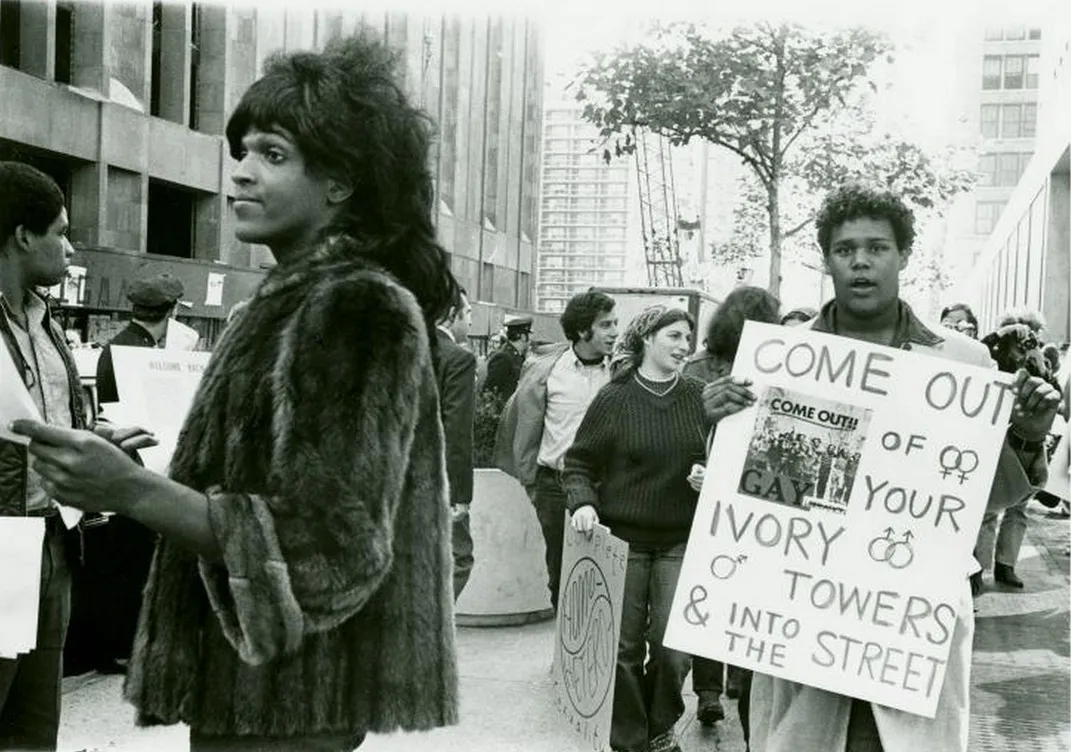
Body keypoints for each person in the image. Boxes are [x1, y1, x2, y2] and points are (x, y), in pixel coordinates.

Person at [13, 34, 459, 751]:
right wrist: (122, 472)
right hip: (255, 687)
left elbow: (328, 549)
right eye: (242, 153)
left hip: (295, 699)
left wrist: (131, 492)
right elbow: (261, 487)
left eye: (272, 156)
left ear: (341, 181)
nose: (241, 176)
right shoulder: (276, 307)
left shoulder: (353, 308)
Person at [714, 184, 1059, 752]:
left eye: (877, 246)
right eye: (845, 249)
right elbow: (754, 504)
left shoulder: (961, 362)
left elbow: (983, 499)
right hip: (808, 611)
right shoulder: (782, 361)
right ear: (827, 260)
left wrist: (1026, 434)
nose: (861, 261)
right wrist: (721, 427)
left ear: (904, 254)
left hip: (909, 622)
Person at [0, 162, 154, 750]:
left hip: (52, 545)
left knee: (34, 728)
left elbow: (53, 423)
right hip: (4, 543)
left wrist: (98, 443)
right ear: (22, 236)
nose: (69, 247)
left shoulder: (48, 323)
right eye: (60, 232)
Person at [564, 305, 710, 752]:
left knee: (673, 649)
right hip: (621, 543)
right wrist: (584, 503)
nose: (684, 346)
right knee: (622, 650)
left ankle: (660, 723)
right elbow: (578, 464)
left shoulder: (699, 397)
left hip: (679, 541)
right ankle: (630, 740)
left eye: (688, 338)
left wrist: (711, 475)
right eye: (674, 337)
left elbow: (730, 461)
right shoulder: (615, 398)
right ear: (647, 338)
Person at [63, 273, 188, 677]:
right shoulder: (140, 353)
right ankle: (124, 646)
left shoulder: (119, 346)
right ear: (168, 311)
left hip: (126, 467)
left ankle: (126, 644)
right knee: (131, 561)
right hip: (139, 468)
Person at [683, 285, 780, 737]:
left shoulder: (698, 367)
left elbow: (683, 431)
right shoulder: (778, 364)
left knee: (715, 596)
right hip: (758, 505)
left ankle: (708, 691)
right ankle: (739, 679)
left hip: (707, 500)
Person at [494, 290, 618, 609]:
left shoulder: (621, 370)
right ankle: (568, 656)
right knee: (562, 576)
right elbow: (522, 422)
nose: (615, 332)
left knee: (610, 579)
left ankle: (604, 658)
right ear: (581, 331)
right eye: (605, 325)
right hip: (555, 487)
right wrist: (533, 482)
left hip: (611, 487)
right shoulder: (547, 370)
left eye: (615, 323)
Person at [435, 286, 477, 599]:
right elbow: (457, 431)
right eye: (468, 314)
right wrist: (459, 494)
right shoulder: (458, 359)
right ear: (452, 315)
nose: (471, 323)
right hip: (441, 482)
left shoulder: (407, 348)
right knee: (459, 557)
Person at [482, 314, 532, 406]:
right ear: (523, 336)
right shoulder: (504, 357)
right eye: (529, 334)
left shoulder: (518, 357)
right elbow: (489, 392)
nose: (531, 340)